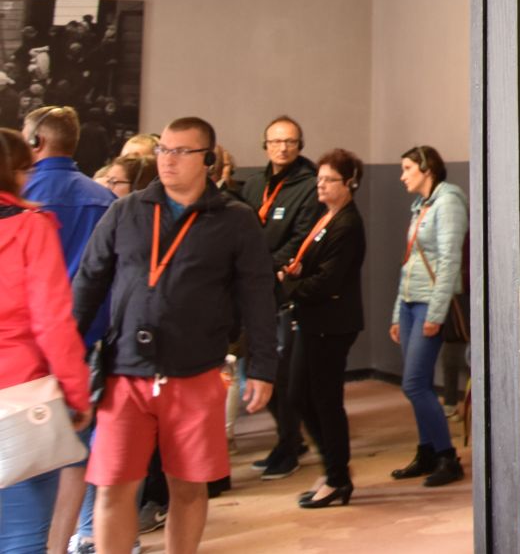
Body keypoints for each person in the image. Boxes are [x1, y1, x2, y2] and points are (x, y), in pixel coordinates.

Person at [71, 117, 276, 554]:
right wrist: (66, 357)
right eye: (164, 150)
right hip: (125, 372)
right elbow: (87, 284)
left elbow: (258, 296)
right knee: (113, 485)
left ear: (207, 159)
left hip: (195, 373)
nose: (168, 160)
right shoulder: (126, 211)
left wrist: (263, 366)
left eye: (181, 151)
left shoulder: (235, 220)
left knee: (187, 486)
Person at [18, 109, 114, 554]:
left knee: (21, 469)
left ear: (36, 142)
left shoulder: (23, 203)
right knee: (74, 454)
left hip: (24, 360)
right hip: (83, 349)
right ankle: (65, 543)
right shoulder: (104, 199)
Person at [0, 129, 93, 554]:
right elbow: (53, 322)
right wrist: (76, 396)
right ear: (15, 173)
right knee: (22, 536)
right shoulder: (30, 228)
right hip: (20, 401)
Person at [276, 151, 365, 509]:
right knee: (299, 395)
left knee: (325, 400)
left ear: (350, 184)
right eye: (320, 179)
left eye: (329, 180)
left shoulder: (348, 224)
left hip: (332, 323)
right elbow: (316, 264)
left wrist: (288, 285)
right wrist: (298, 271)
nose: (321, 185)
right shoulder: (328, 216)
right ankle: (333, 467)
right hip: (313, 319)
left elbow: (329, 281)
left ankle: (338, 478)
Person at [236, 117, 318, 480]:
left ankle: (288, 445)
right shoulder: (254, 185)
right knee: (254, 369)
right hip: (253, 290)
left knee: (283, 376)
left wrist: (263, 268)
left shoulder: (310, 185)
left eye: (290, 141)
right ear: (265, 145)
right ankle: (290, 439)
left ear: (300, 145)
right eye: (275, 141)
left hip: (284, 293)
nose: (282, 148)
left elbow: (301, 240)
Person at [389, 145, 466, 488]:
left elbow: (449, 261)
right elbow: (409, 262)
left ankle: (447, 457)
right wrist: (397, 312)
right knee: (415, 385)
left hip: (428, 304)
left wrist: (435, 312)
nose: (402, 176)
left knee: (414, 384)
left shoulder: (448, 202)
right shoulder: (422, 204)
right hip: (410, 302)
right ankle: (427, 451)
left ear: (427, 168)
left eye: (408, 168)